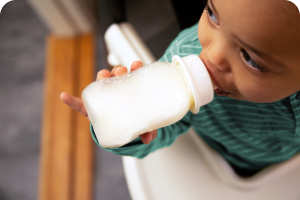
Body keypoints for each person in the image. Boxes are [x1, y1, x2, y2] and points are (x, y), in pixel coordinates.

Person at [60, 0, 300, 177]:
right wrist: (130, 122)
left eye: (250, 59)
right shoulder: (183, 57)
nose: (212, 56)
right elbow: (166, 128)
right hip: (224, 157)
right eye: (213, 15)